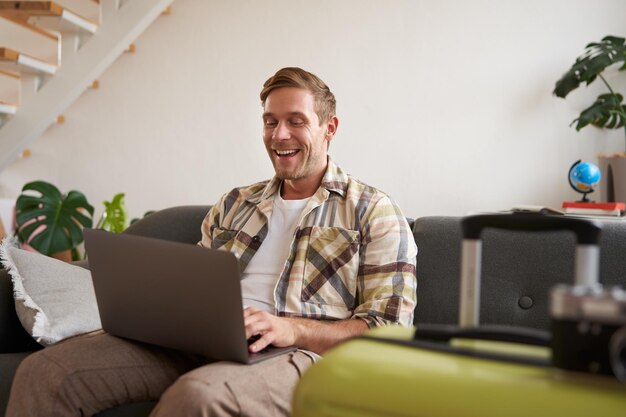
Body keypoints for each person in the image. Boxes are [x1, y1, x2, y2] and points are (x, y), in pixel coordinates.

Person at [6, 67, 417, 417]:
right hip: (202, 342)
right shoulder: (236, 203)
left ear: (329, 128)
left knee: (199, 397)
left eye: (295, 121)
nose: (279, 135)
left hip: (301, 356)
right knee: (48, 371)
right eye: (270, 121)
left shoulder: (372, 210)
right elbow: (192, 289)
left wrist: (290, 328)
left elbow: (389, 330)